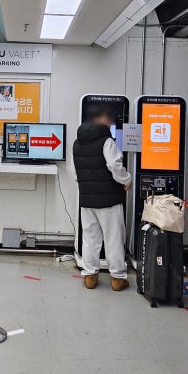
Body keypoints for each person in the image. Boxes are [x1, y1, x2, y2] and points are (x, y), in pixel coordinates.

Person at [72, 107, 132, 291]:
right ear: (101, 119)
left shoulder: (77, 143)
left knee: (90, 238)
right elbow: (114, 165)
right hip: (108, 199)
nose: (111, 123)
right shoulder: (107, 141)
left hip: (87, 199)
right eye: (109, 119)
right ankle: (117, 278)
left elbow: (75, 173)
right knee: (113, 237)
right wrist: (126, 180)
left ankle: (90, 276)